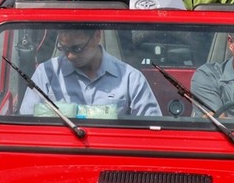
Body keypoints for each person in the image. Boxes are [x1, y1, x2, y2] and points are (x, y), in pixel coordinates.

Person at [19, 29, 162, 117]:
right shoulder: (46, 73)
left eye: (77, 49)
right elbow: (25, 127)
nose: (69, 56)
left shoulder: (131, 79)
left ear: (97, 36)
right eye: (64, 49)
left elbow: (152, 131)